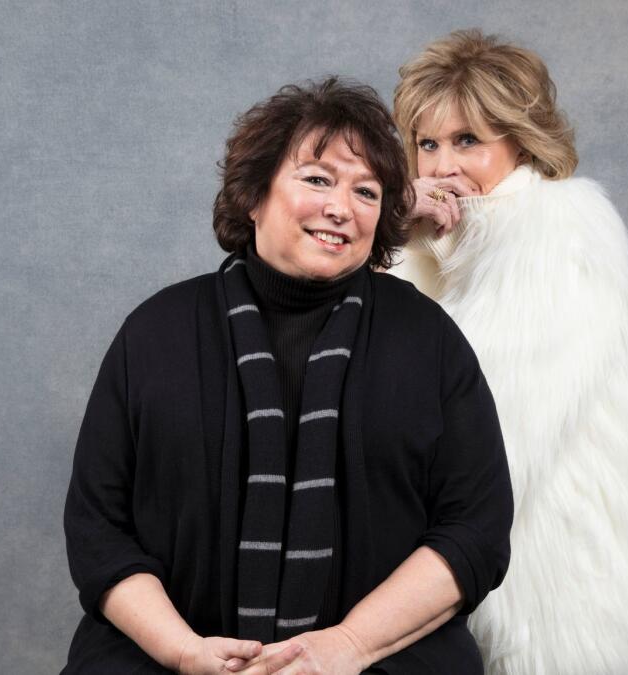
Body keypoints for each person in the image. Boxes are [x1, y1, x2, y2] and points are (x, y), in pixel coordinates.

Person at [62, 77, 513, 674]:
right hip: (163, 661)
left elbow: (476, 529)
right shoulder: (153, 333)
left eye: (368, 192)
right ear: (254, 195)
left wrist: (347, 647)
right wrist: (184, 651)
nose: (341, 207)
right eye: (318, 179)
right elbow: (98, 529)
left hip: (383, 662)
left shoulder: (430, 340)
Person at [389, 30, 628, 675]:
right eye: (427, 144)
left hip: (569, 620)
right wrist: (389, 236)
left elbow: (483, 440)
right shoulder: (429, 251)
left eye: (468, 140)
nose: (442, 167)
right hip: (478, 607)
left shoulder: (558, 235)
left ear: (522, 143)